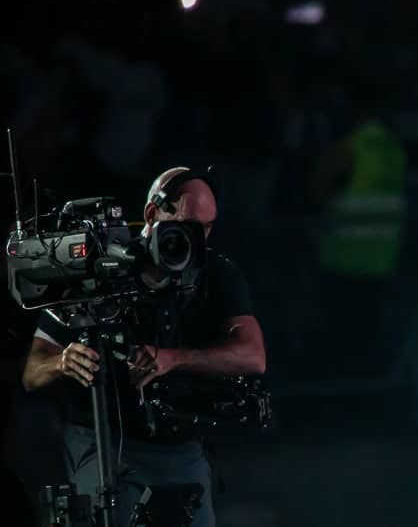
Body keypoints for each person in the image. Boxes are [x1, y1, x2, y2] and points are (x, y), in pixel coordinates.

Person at [21, 167, 266, 527]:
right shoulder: (98, 267)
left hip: (181, 448)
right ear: (152, 214)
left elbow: (253, 355)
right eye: (187, 226)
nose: (196, 240)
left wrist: (173, 359)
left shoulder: (217, 274)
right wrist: (63, 361)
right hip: (105, 443)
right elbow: (32, 371)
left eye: (207, 228)